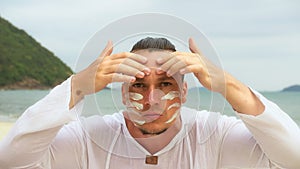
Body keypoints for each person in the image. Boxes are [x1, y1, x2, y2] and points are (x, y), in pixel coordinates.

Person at [0, 37, 299, 169]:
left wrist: (227, 83)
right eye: (138, 86)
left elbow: (292, 159)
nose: (151, 100)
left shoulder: (216, 135)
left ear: (184, 93)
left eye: (165, 84)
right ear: (120, 93)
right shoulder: (87, 138)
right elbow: (11, 161)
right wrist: (77, 86)